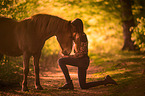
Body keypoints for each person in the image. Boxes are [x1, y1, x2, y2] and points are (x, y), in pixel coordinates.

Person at [58, 19, 117, 90]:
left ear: (77, 27)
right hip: (80, 61)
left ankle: (69, 83)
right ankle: (106, 81)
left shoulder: (83, 37)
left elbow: (81, 54)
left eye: (73, 26)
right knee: (83, 86)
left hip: (82, 61)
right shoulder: (76, 36)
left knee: (61, 61)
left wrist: (69, 56)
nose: (72, 28)